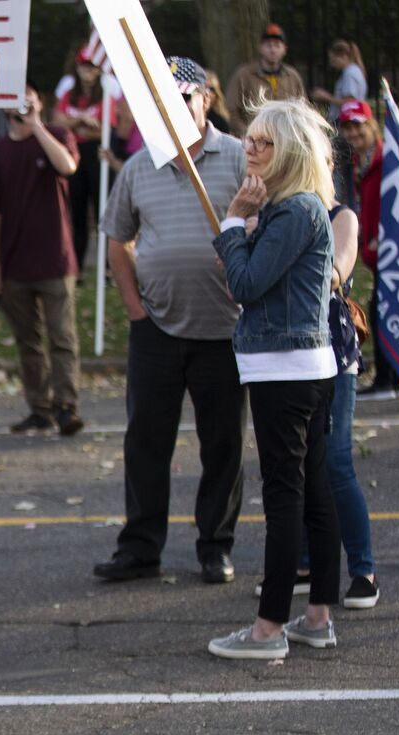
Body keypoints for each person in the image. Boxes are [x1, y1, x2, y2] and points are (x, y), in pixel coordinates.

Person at [92, 57, 248, 587]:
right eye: (163, 102)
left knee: (223, 443)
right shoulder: (140, 165)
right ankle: (140, 547)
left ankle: (215, 546)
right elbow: (117, 239)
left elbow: (263, 227)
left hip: (226, 331)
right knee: (146, 442)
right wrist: (135, 308)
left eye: (184, 99)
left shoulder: (239, 159)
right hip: (156, 329)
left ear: (205, 99)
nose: (175, 109)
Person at [207, 100, 341, 662]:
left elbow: (244, 284)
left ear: (289, 151)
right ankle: (316, 618)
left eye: (263, 142)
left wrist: (235, 220)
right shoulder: (297, 208)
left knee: (286, 496)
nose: (250, 149)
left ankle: (268, 629)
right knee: (311, 490)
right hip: (301, 367)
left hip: (284, 370)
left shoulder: (293, 212)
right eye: (249, 139)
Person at [286, 202, 380, 610]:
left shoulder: (341, 215)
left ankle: (363, 570)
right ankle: (305, 564)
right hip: (287, 352)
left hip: (333, 351)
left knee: (336, 460)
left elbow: (334, 274)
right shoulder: (275, 208)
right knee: (298, 460)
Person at [0, 84, 85, 436]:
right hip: (14, 261)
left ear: (41, 103)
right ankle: (40, 408)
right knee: (28, 341)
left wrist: (37, 125)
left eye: (30, 97)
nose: (23, 104)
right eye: (17, 98)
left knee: (61, 336)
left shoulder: (56, 134)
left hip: (55, 258)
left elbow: (67, 166)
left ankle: (66, 406)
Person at [336, 99, 399, 400]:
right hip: (375, 248)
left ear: (370, 124)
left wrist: (380, 235)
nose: (353, 134)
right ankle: (390, 378)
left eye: (358, 126)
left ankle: (388, 379)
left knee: (381, 313)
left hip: (390, 247)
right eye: (347, 128)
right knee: (381, 312)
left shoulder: (385, 158)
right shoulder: (360, 161)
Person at [54, 47, 111, 274]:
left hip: (96, 155)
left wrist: (76, 125)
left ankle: (107, 267)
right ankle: (75, 266)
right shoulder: (70, 94)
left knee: (101, 211)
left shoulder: (105, 94)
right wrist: (83, 121)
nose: (87, 72)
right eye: (83, 66)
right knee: (75, 212)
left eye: (91, 67)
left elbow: (108, 129)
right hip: (73, 154)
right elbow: (58, 122)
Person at [225, 24, 305, 131]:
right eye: (268, 45)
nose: (273, 49)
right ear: (260, 47)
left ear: (284, 49)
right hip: (254, 140)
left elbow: (303, 108)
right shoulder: (244, 75)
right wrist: (247, 134)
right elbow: (231, 109)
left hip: (286, 139)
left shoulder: (292, 76)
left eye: (277, 45)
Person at [310, 40, 368, 125]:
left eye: (333, 60)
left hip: (346, 121)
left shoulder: (350, 73)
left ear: (343, 56)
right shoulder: (354, 71)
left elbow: (350, 102)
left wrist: (326, 97)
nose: (332, 64)